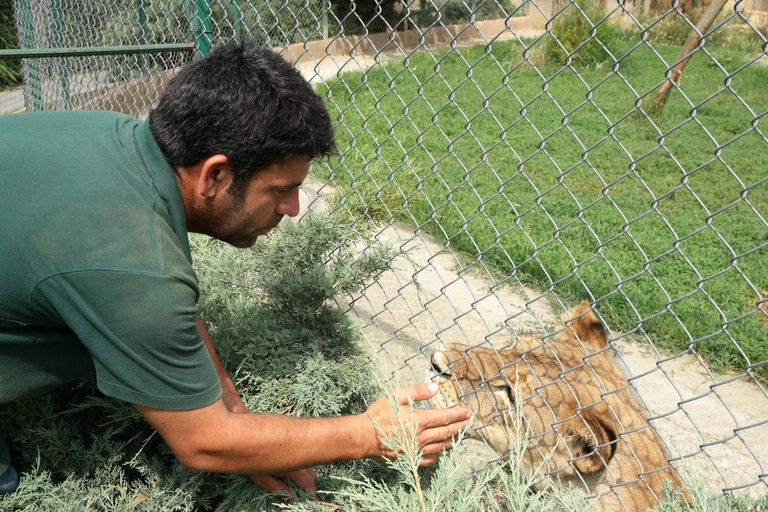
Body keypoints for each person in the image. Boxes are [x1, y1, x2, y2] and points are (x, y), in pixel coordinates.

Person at [0, 37, 471, 497]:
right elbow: (204, 442)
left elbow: (160, 308)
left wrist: (241, 421)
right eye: (281, 189)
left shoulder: (114, 141)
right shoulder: (130, 261)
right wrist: (369, 435)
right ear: (216, 175)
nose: (293, 208)